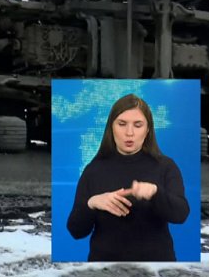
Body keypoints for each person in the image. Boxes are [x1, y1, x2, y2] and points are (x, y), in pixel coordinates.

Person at [66, 93, 190, 261]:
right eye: (122, 124)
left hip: (156, 271)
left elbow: (181, 214)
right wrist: (92, 203)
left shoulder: (166, 166)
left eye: (138, 125)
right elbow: (76, 230)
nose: (129, 132)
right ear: (111, 127)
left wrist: (155, 193)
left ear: (148, 130)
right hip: (104, 272)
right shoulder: (93, 170)